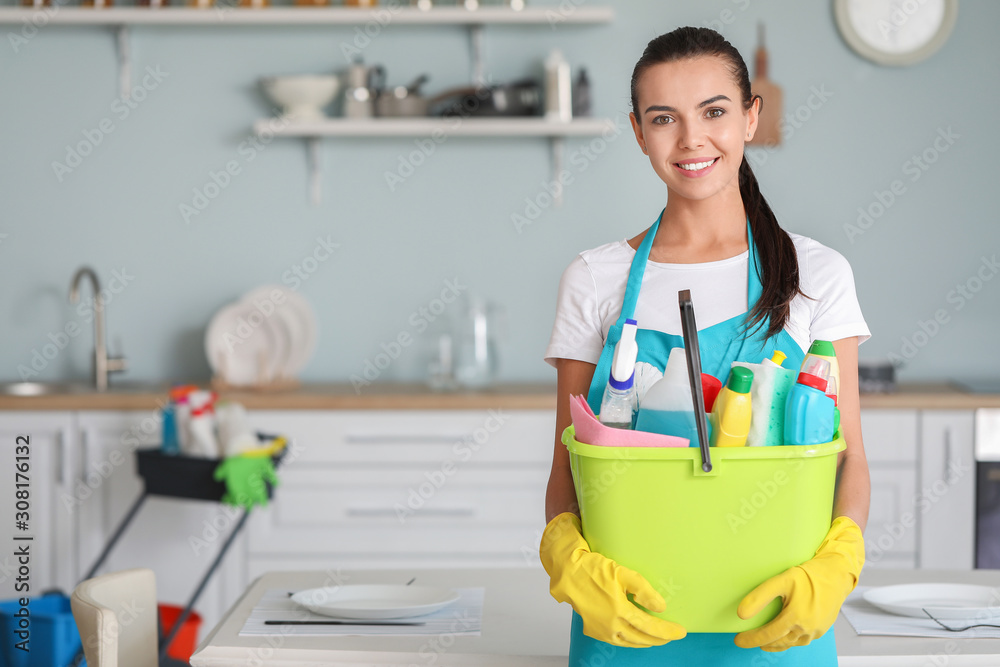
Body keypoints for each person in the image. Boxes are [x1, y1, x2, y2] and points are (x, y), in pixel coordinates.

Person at [539, 27, 871, 666]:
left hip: (776, 630)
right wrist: (566, 556)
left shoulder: (816, 273)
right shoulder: (596, 278)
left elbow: (849, 455)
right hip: (629, 630)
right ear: (638, 133)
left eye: (715, 112)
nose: (691, 139)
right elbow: (568, 464)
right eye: (664, 118)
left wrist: (837, 564)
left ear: (750, 118)